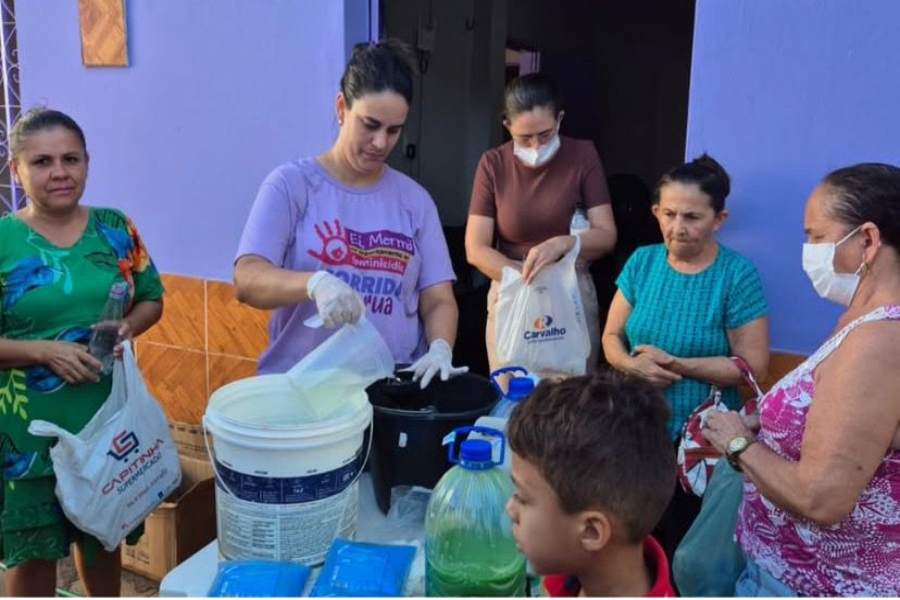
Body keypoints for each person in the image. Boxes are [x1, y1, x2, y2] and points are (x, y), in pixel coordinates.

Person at [704, 163, 900, 597]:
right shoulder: (862, 320)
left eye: (815, 236)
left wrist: (740, 443)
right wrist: (769, 426)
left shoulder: (880, 342)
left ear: (867, 239)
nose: (807, 250)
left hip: (819, 585)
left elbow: (821, 498)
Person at [0, 108, 165, 596]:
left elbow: (152, 297)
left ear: (88, 162)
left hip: (105, 421)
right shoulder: (4, 241)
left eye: (70, 159)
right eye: (42, 161)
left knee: (102, 540)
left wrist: (127, 327)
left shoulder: (115, 228)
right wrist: (44, 351)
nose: (59, 172)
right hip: (27, 431)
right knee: (32, 556)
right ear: (17, 170)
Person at [234, 41, 464, 388]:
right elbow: (247, 279)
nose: (381, 143)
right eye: (369, 125)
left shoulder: (414, 202)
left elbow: (438, 299)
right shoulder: (292, 186)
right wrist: (314, 283)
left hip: (389, 393)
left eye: (393, 130)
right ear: (341, 107)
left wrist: (441, 347)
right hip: (305, 392)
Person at [601, 154, 769, 559]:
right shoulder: (642, 262)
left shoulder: (736, 276)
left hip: (702, 444)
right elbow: (610, 335)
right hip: (638, 429)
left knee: (687, 548)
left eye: (692, 217)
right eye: (669, 214)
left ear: (719, 219)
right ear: (656, 211)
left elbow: (752, 368)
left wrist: (675, 365)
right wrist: (629, 364)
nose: (678, 228)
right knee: (631, 536)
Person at [465, 73, 617, 376]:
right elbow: (476, 248)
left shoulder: (582, 156)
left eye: (545, 135)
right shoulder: (493, 164)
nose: (535, 146)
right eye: (524, 138)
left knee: (572, 398)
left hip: (569, 288)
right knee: (514, 395)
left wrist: (564, 243)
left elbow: (606, 235)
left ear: (560, 119)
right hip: (512, 288)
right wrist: (522, 279)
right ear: (507, 126)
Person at [506, 370, 676, 597]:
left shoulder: (566, 559)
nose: (510, 509)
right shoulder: (569, 569)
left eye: (522, 498)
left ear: (591, 532)